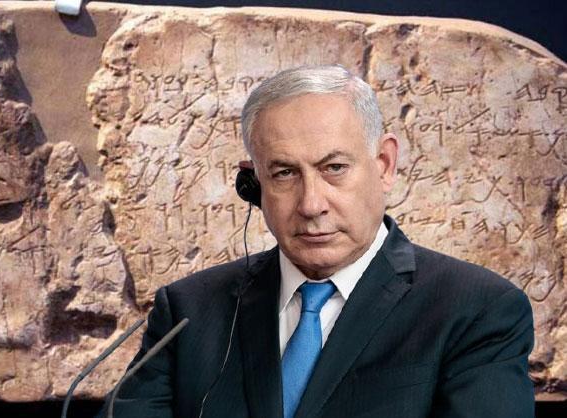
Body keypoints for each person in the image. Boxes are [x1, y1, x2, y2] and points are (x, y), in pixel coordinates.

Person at [98, 65, 534, 417]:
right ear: (253, 185)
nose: (311, 204)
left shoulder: (477, 309)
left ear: (384, 163)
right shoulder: (188, 311)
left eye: (334, 168)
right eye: (285, 173)